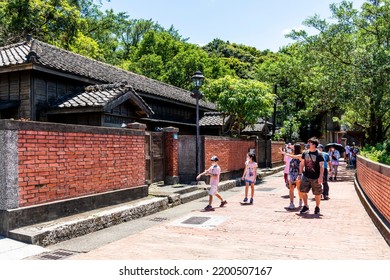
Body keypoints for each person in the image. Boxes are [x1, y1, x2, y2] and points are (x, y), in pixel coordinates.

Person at [299, 137, 324, 215]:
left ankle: (317, 207)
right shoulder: (305, 153)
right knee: (303, 191)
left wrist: (320, 177)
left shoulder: (319, 154)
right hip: (306, 175)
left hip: (315, 177)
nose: (308, 144)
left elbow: (321, 166)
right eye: (309, 142)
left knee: (317, 193)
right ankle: (306, 206)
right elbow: (302, 163)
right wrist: (300, 174)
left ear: (314, 145)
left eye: (310, 143)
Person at [281, 144, 304, 209]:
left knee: (299, 189)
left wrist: (284, 153)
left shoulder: (300, 155)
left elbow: (294, 156)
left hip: (298, 173)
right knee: (291, 188)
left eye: (293, 147)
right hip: (291, 173)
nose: (292, 148)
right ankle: (291, 203)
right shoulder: (291, 154)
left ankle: (300, 200)